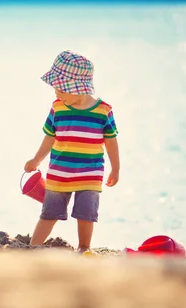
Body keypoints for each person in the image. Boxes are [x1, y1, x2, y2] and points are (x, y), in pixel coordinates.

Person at [24, 50, 120, 254]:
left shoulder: (103, 111)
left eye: (61, 89)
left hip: (90, 174)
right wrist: (36, 159)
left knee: (86, 214)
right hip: (60, 172)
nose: (57, 93)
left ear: (79, 88)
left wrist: (115, 169)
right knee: (49, 213)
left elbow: (111, 142)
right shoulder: (58, 108)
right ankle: (33, 247)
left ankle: (84, 248)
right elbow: (49, 137)